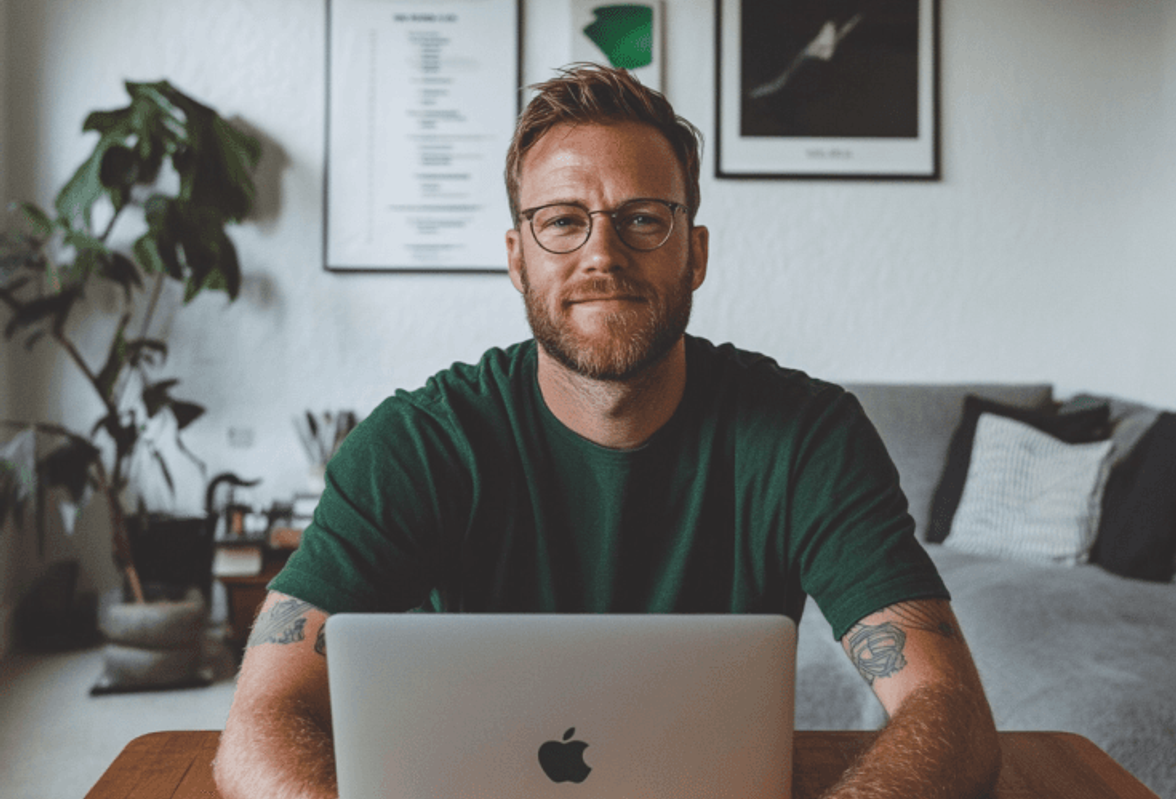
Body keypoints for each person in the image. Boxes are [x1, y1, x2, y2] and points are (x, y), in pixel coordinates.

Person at [214, 64, 1000, 799]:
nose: (602, 254)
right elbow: (259, 723)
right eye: (563, 221)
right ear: (517, 259)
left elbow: (947, 706)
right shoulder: (416, 446)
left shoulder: (810, 438)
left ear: (695, 253)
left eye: (642, 219)